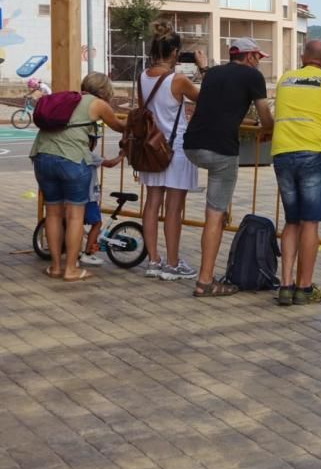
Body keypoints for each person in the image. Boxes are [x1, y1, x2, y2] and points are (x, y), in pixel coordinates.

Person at [183, 37, 273, 298]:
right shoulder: (252, 77)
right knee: (215, 215)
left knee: (214, 212)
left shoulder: (213, 74)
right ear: (248, 57)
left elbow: (216, 107)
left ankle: (205, 276)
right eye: (257, 57)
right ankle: (205, 281)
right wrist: (269, 129)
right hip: (221, 150)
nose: (259, 62)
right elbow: (265, 115)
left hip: (193, 145)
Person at [272, 40, 321, 306]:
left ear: (303, 57)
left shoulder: (285, 79)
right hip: (313, 154)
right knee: (310, 222)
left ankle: (285, 285)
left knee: (291, 221)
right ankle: (304, 288)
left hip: (281, 152)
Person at [30, 72, 126, 281]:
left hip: (42, 157)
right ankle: (71, 268)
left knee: (53, 213)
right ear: (104, 90)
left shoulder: (66, 99)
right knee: (75, 215)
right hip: (71, 160)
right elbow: (120, 126)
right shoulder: (97, 103)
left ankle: (55, 267)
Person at [138, 22, 204, 282]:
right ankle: (173, 264)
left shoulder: (143, 76)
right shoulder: (178, 80)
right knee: (174, 208)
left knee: (152, 203)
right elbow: (204, 97)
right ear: (175, 51)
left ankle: (153, 260)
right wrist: (203, 67)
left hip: (150, 147)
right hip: (175, 148)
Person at [79, 127, 125, 267]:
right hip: (89, 197)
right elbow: (110, 164)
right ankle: (87, 254)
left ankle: (77, 250)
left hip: (78, 195)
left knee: (76, 223)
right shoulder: (88, 154)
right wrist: (122, 156)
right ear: (90, 141)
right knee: (97, 224)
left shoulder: (77, 152)